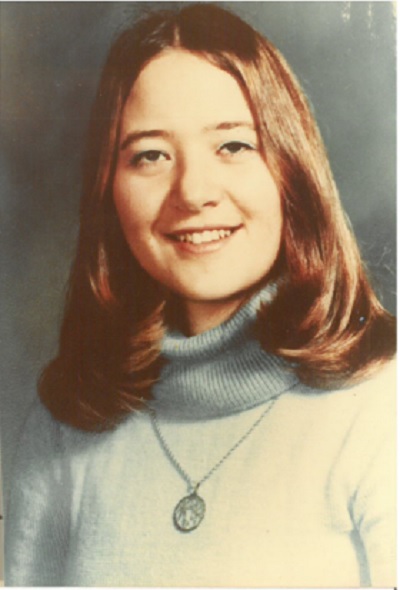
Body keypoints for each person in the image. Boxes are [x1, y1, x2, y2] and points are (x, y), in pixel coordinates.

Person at [4, 4, 396, 587]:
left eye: (232, 146)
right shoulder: (63, 425)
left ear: (292, 169)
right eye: (151, 156)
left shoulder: (381, 406)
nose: (192, 192)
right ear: (108, 190)